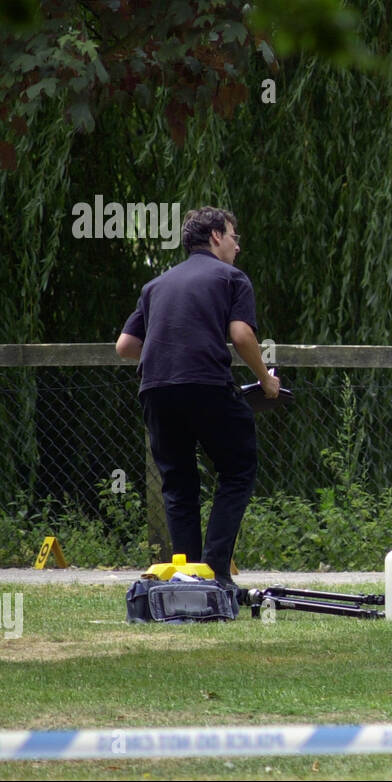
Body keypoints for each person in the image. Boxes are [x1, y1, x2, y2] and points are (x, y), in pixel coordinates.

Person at [115, 207, 280, 590]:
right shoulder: (231, 278)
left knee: (178, 483)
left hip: (156, 389)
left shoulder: (156, 285)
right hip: (206, 384)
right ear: (216, 236)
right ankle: (217, 575)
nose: (238, 247)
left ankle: (188, 578)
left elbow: (125, 346)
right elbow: (241, 336)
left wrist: (171, 352)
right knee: (237, 470)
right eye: (235, 237)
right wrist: (266, 382)